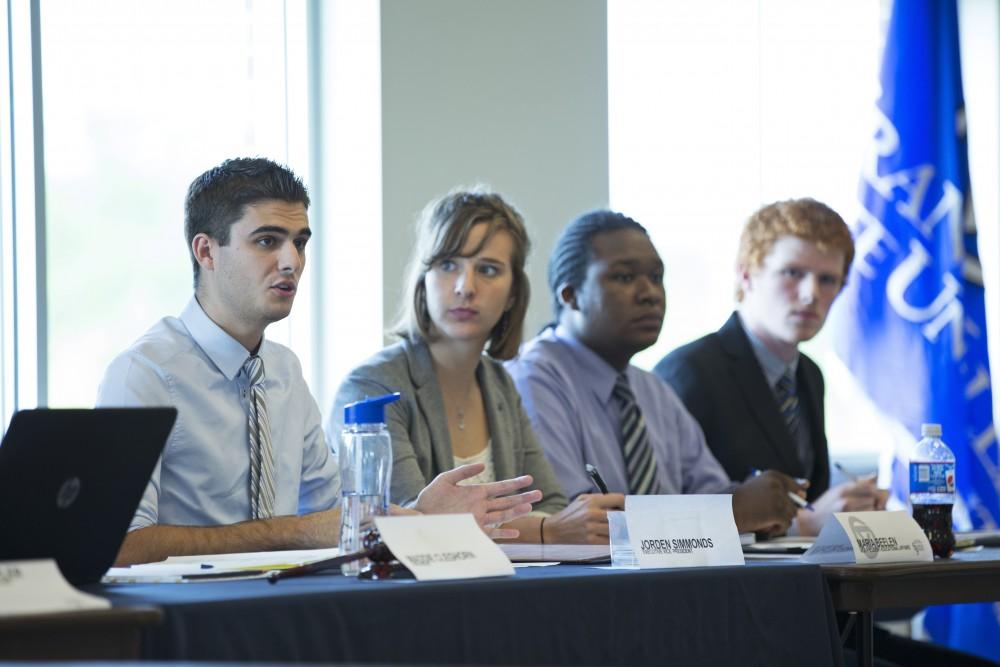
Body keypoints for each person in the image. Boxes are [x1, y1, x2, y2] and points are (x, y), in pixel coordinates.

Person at [98, 159, 539, 565]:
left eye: (300, 243)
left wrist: (420, 515)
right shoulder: (144, 372)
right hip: (191, 631)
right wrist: (293, 532)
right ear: (206, 252)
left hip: (290, 615)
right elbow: (118, 544)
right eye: (267, 241)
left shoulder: (283, 369)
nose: (291, 262)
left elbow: (333, 517)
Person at [330, 190, 619, 544]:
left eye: (487, 269)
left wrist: (549, 524)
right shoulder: (372, 386)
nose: (466, 287)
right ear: (424, 280)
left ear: (513, 293)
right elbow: (405, 523)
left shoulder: (498, 382)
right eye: (448, 265)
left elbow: (551, 503)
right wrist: (543, 530)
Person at [506, 209, 803, 536]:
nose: (650, 293)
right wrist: (731, 513)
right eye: (624, 277)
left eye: (656, 277)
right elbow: (579, 523)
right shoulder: (533, 379)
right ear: (571, 295)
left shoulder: (651, 389)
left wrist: (759, 501)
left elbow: (711, 493)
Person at [653, 198, 888, 535]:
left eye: (827, 280)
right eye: (793, 273)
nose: (810, 294)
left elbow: (807, 496)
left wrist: (848, 506)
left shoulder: (808, 374)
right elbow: (671, 522)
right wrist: (805, 523)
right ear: (746, 274)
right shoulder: (689, 372)